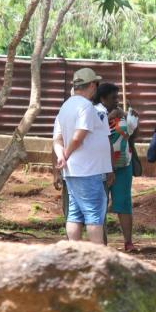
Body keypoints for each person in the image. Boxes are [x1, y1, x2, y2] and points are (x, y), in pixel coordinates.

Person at [52, 68, 112, 245]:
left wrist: (61, 156)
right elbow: (79, 135)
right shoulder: (85, 106)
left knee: (75, 213)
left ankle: (75, 254)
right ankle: (97, 257)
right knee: (93, 214)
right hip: (88, 170)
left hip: (73, 170)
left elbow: (57, 138)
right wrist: (66, 155)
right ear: (92, 85)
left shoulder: (66, 106)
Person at [93, 83, 139, 252]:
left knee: (124, 203)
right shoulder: (96, 113)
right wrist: (109, 116)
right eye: (113, 98)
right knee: (100, 204)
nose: (117, 101)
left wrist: (131, 120)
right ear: (102, 98)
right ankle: (100, 243)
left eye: (117, 97)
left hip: (123, 165)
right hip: (101, 167)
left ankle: (128, 242)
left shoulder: (120, 113)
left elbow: (131, 135)